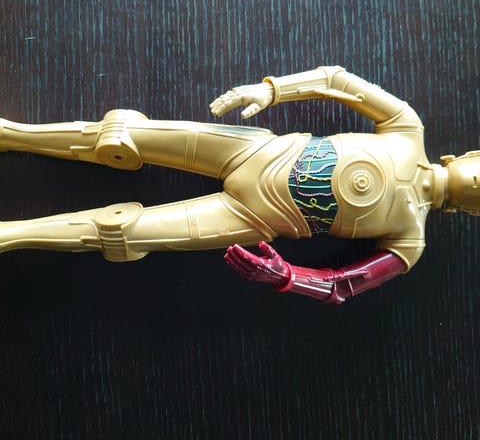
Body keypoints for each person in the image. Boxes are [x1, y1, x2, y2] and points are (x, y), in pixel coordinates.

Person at [0, 66, 477, 303]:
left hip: (254, 219)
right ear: (465, 156)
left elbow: (340, 286)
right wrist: (270, 90)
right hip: (256, 150)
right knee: (121, 135)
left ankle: (13, 235)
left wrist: (287, 276)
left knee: (124, 231)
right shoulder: (406, 128)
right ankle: (15, 133)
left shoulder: (408, 243)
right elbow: (337, 80)